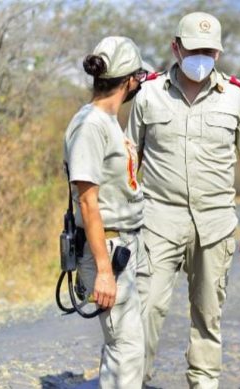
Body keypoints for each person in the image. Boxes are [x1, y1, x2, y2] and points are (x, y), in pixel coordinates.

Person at [128, 11, 240, 388]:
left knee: (208, 315)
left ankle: (203, 383)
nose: (201, 57)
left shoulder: (236, 99)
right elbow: (129, 160)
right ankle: (134, 381)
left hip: (216, 223)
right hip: (158, 219)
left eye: (209, 50)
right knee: (147, 308)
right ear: (176, 47)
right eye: (193, 49)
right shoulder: (148, 95)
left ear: (219, 53)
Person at [63, 36, 150, 388]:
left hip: (125, 245)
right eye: (138, 79)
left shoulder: (108, 120)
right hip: (107, 250)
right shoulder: (90, 126)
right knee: (125, 348)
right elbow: (87, 201)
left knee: (129, 347)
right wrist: (102, 271)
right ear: (129, 81)